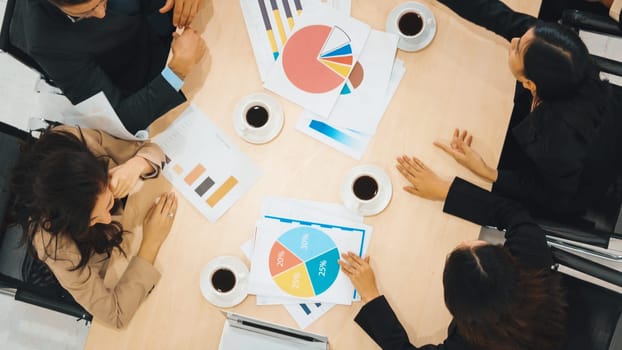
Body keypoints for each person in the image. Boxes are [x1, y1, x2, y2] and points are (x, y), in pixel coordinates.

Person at [338, 155, 568, 350]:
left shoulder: (467, 344)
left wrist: (370, 295)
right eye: (477, 245)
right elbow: (514, 213)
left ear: (454, 308)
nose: (467, 241)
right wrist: (446, 191)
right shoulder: (530, 254)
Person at [434, 0, 622, 216]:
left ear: (530, 84)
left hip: (570, 185)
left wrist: (489, 172)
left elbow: (552, 196)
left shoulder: (554, 142)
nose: (513, 41)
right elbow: (501, 17)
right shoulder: (557, 53)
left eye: (517, 50)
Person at [10, 125, 178, 329]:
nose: (107, 219)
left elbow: (152, 150)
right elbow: (115, 317)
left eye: (108, 203)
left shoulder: (77, 143)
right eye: (93, 219)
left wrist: (137, 164)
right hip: (111, 260)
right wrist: (150, 244)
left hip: (135, 215)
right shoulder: (54, 247)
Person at [9, 0, 207, 133]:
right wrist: (176, 72)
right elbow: (118, 119)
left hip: (177, 22)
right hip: (145, 73)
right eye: (85, 13)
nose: (101, 13)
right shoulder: (44, 40)